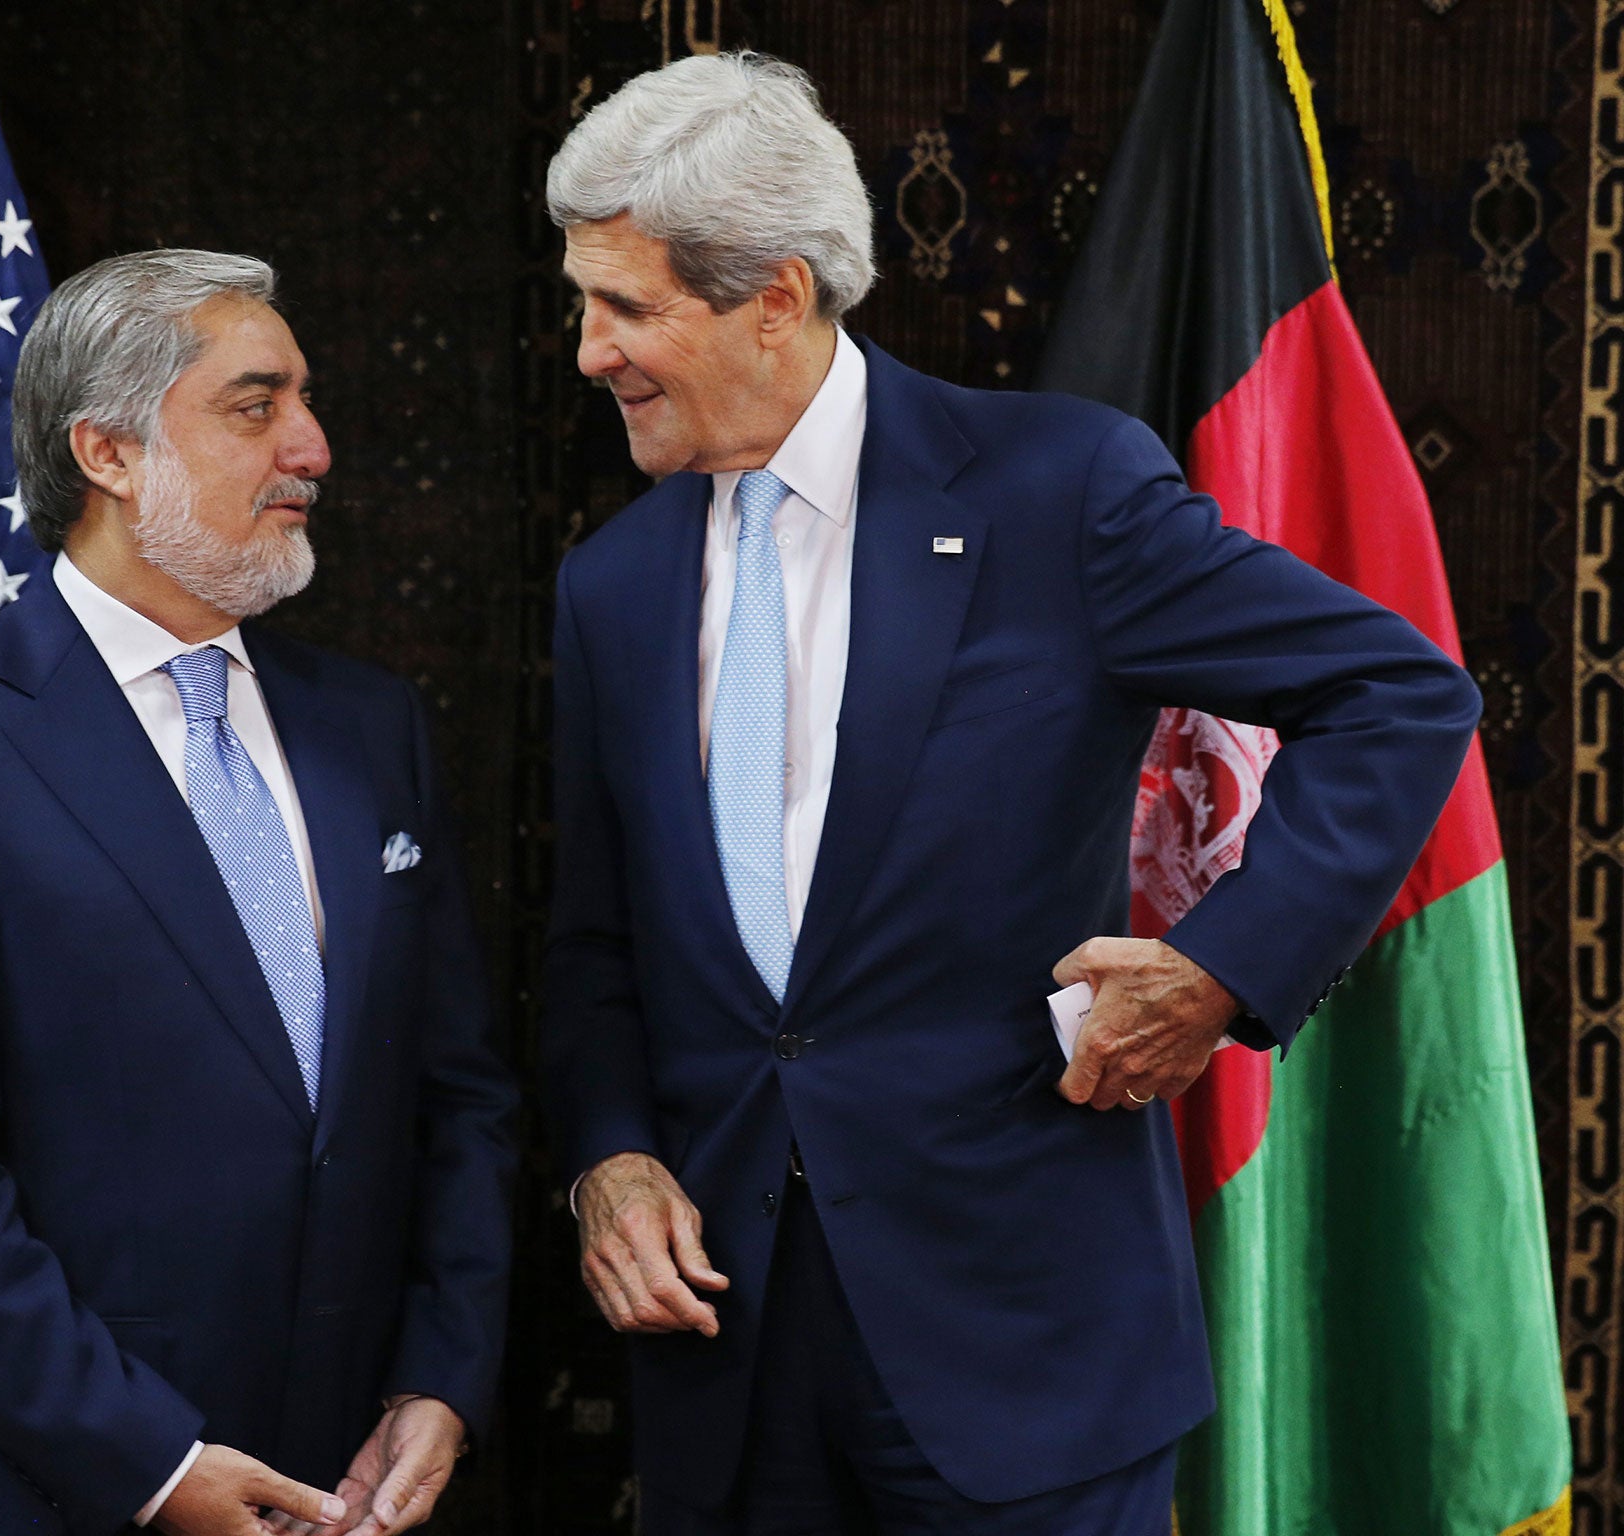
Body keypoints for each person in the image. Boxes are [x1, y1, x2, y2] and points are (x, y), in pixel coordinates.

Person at [539, 53, 1481, 1536]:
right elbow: (597, 940)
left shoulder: (1061, 491)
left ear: (777, 299)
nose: (590, 352)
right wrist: (611, 1155)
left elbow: (1401, 690)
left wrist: (1221, 970)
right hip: (733, 1364)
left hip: (1025, 1350)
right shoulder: (611, 585)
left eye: (629, 308)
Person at [0, 250, 518, 1536]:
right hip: (80, 1489)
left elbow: (456, 1095)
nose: (312, 445)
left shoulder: (372, 727)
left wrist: (440, 1374)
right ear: (109, 454)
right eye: (255, 406)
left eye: (302, 400)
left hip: (366, 1482)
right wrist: (151, 1463)